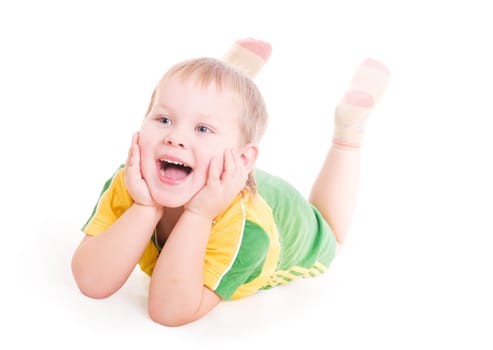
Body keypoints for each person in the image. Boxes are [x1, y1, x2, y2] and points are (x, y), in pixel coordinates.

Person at [71, 38, 391, 327]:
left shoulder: (249, 233)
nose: (175, 138)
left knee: (332, 241)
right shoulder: (132, 179)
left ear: (243, 161)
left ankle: (348, 132)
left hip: (282, 218)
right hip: (213, 171)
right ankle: (230, 85)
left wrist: (198, 215)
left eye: (202, 129)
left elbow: (168, 310)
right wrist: (145, 206)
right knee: (218, 111)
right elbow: (91, 281)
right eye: (164, 119)